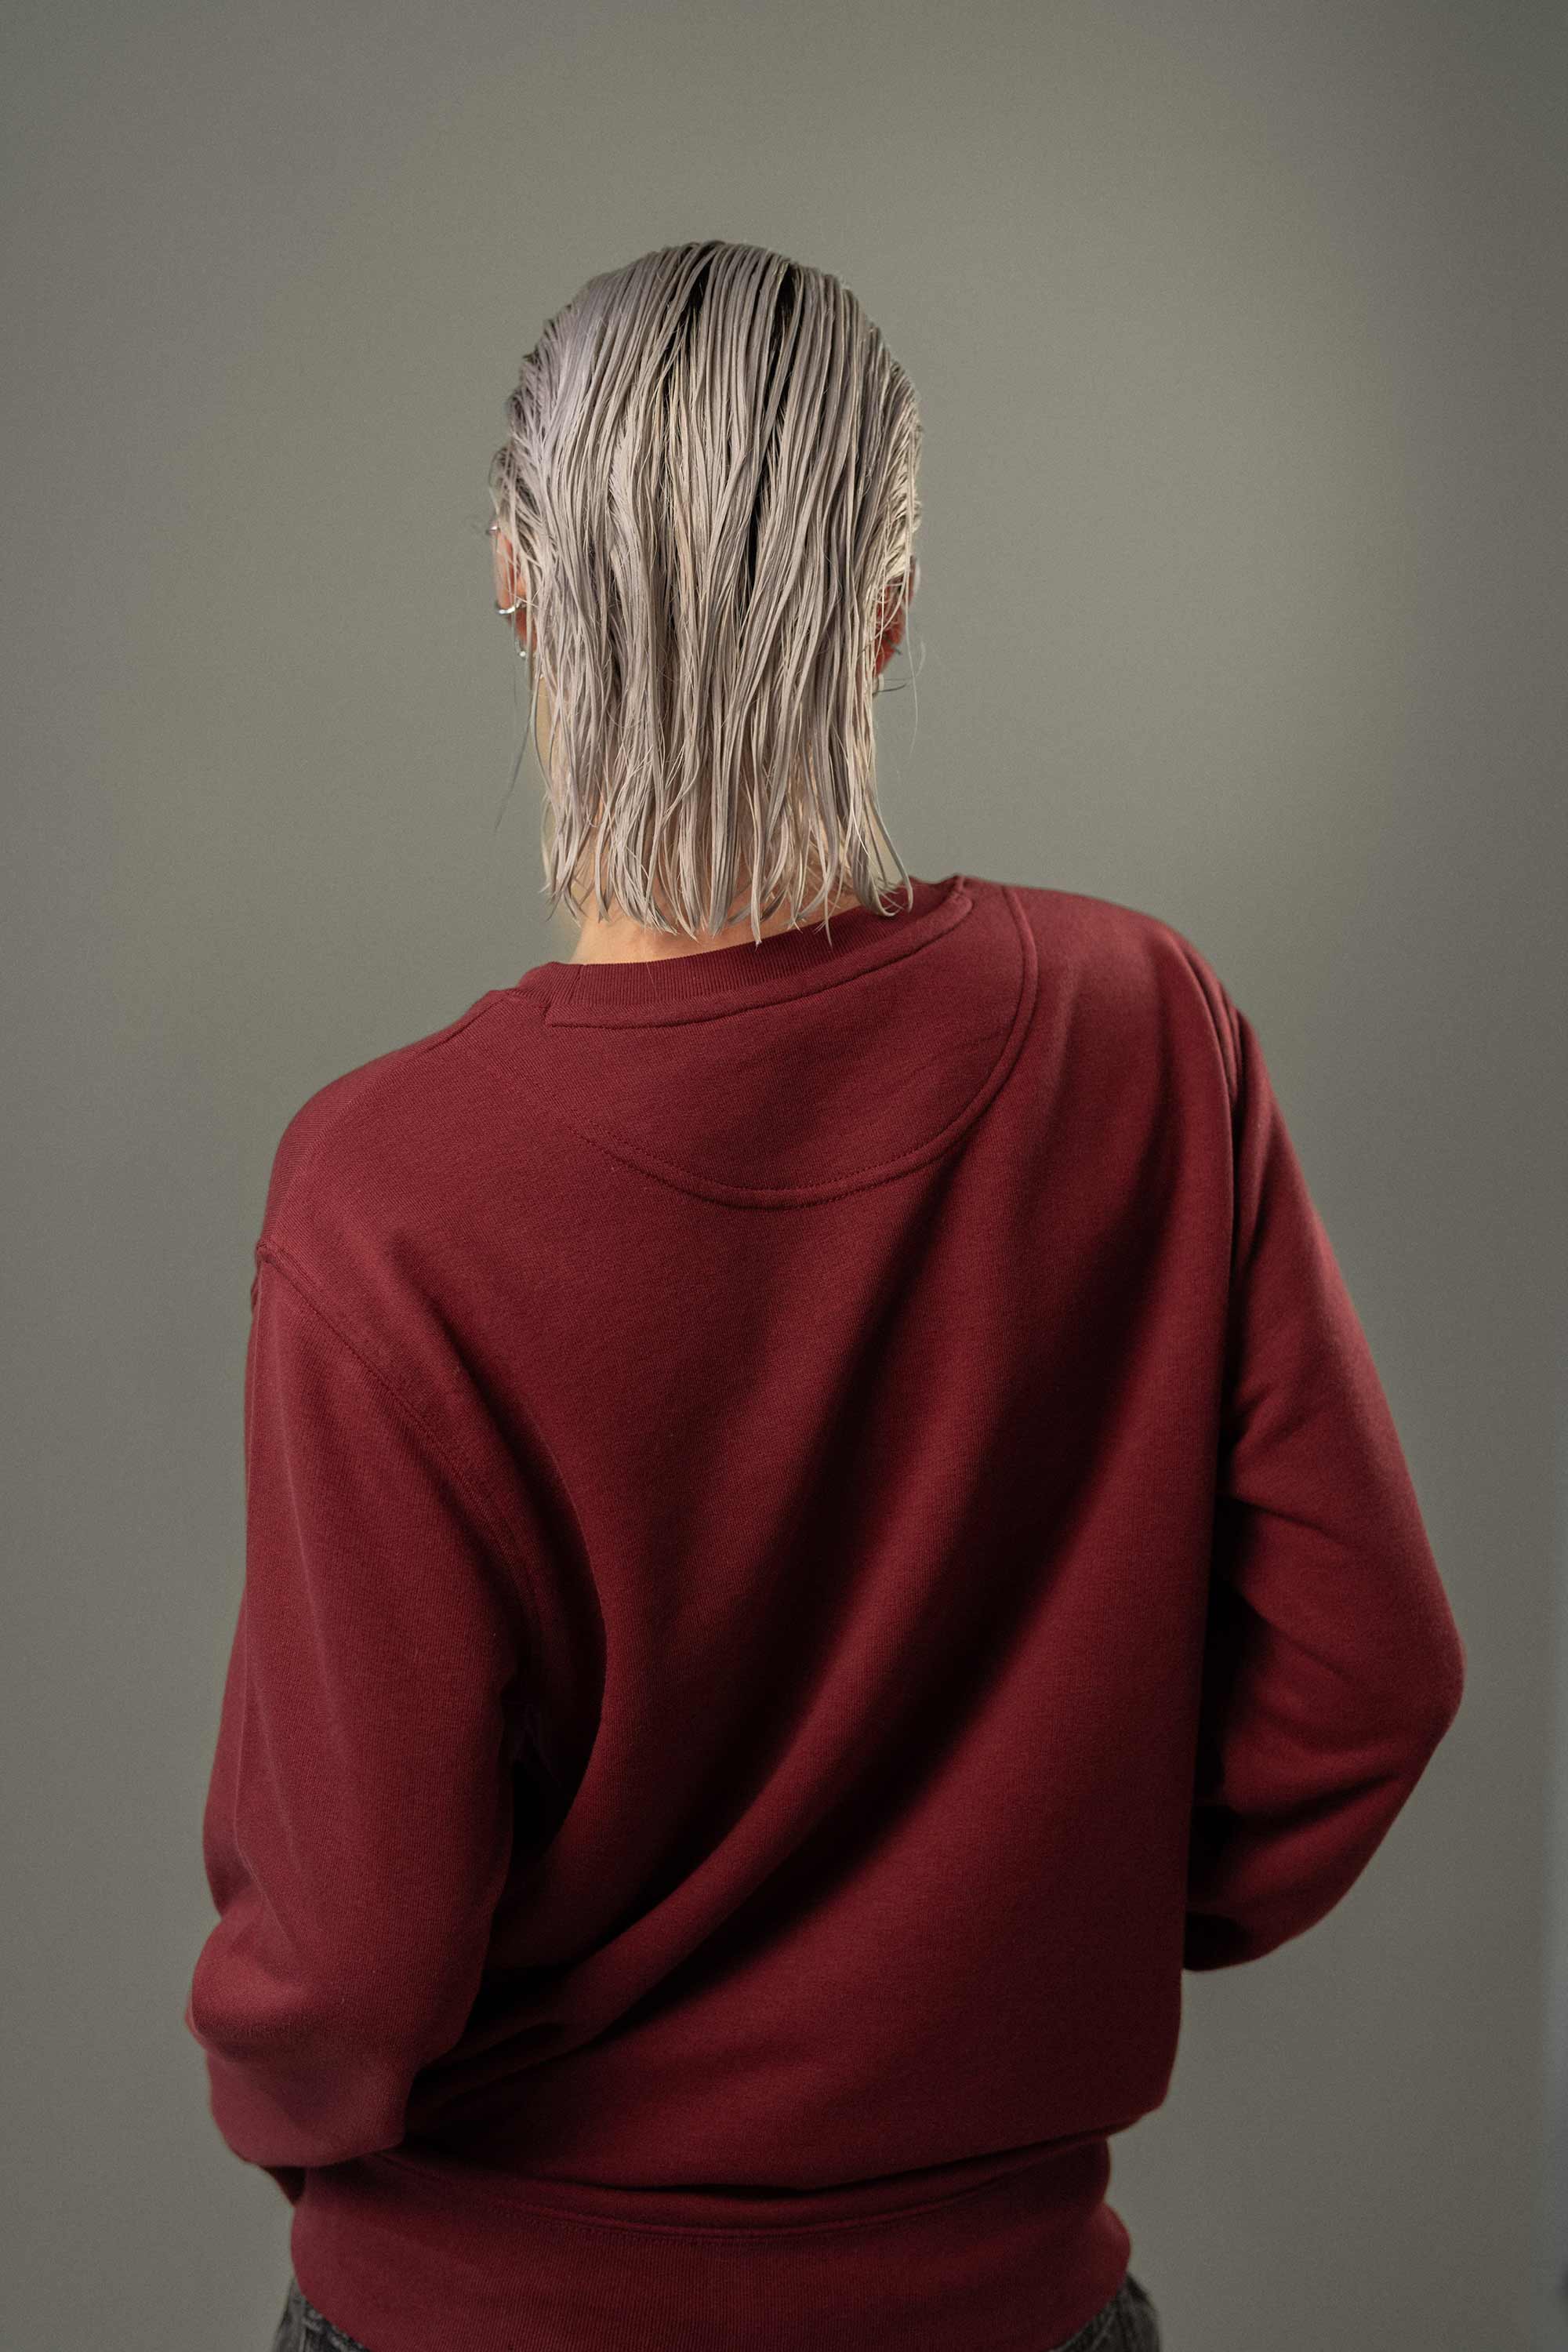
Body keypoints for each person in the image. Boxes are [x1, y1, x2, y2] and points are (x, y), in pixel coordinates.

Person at [186, 239, 1465, 2352]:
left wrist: (284, 2102)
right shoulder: (1148, 1033)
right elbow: (1367, 1682)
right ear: (888, 603)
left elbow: (353, 1958)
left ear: (514, 578)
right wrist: (1006, 1937)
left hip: (488, 2308)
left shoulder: (385, 1194)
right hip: (1004, 2306)